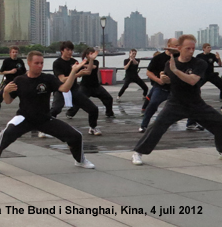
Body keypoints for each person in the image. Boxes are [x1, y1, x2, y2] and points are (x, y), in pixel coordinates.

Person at [0, 51, 94, 174]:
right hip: (24, 118)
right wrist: (6, 92)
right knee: (4, 135)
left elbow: (65, 88)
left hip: (44, 119)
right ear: (29, 63)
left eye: (41, 63)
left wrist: (73, 72)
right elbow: (8, 101)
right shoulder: (19, 80)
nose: (39, 65)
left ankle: (80, 160)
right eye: (36, 63)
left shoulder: (48, 78)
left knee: (76, 136)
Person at [132, 35, 222, 165]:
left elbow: (192, 80)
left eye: (193, 48)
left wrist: (175, 70)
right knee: (157, 127)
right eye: (187, 48)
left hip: (196, 103)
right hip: (175, 103)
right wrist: (164, 78)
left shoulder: (199, 63)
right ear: (179, 48)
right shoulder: (170, 63)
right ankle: (138, 152)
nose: (191, 51)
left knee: (219, 123)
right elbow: (167, 79)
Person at [50, 41, 100, 136]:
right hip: (61, 89)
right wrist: (77, 74)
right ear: (62, 51)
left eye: (71, 50)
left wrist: (91, 60)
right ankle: (44, 127)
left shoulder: (74, 62)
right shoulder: (57, 63)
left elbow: (88, 72)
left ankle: (93, 128)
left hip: (74, 90)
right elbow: (62, 79)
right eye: (67, 50)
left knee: (93, 109)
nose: (70, 52)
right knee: (55, 110)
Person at [140, 38, 179, 132]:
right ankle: (143, 125)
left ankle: (192, 123)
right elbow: (148, 72)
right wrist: (158, 80)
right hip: (161, 87)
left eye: (178, 45)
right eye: (175, 45)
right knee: (152, 104)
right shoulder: (158, 58)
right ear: (169, 46)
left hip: (175, 88)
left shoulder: (179, 57)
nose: (177, 47)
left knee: (191, 103)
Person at [66, 48, 115, 119]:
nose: (93, 56)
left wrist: (83, 64)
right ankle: (70, 113)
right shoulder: (83, 63)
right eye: (91, 54)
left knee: (108, 98)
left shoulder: (95, 62)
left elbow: (92, 67)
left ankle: (109, 113)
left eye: (93, 54)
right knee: (78, 100)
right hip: (85, 87)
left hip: (96, 86)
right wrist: (80, 65)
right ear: (87, 55)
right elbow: (77, 71)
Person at [0, 46, 27, 124]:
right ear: (10, 53)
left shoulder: (20, 61)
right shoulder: (6, 61)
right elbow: (1, 72)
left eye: (16, 52)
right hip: (8, 83)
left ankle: (27, 116)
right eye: (13, 52)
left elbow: (24, 72)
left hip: (19, 84)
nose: (14, 54)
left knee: (26, 99)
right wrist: (10, 72)